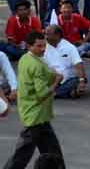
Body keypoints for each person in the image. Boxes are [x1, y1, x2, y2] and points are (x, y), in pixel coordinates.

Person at [5, 31, 64, 169]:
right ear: (29, 46)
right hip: (36, 115)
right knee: (21, 155)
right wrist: (56, 81)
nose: (43, 49)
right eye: (39, 46)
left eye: (44, 45)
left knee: (53, 152)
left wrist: (51, 74)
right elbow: (42, 93)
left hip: (36, 114)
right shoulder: (36, 65)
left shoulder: (25, 58)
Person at [42, 25, 87, 99]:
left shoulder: (69, 47)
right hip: (50, 79)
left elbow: (78, 64)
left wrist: (81, 80)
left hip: (67, 80)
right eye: (45, 34)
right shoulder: (43, 46)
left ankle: (55, 93)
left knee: (76, 81)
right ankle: (67, 93)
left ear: (57, 35)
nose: (46, 37)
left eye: (48, 34)